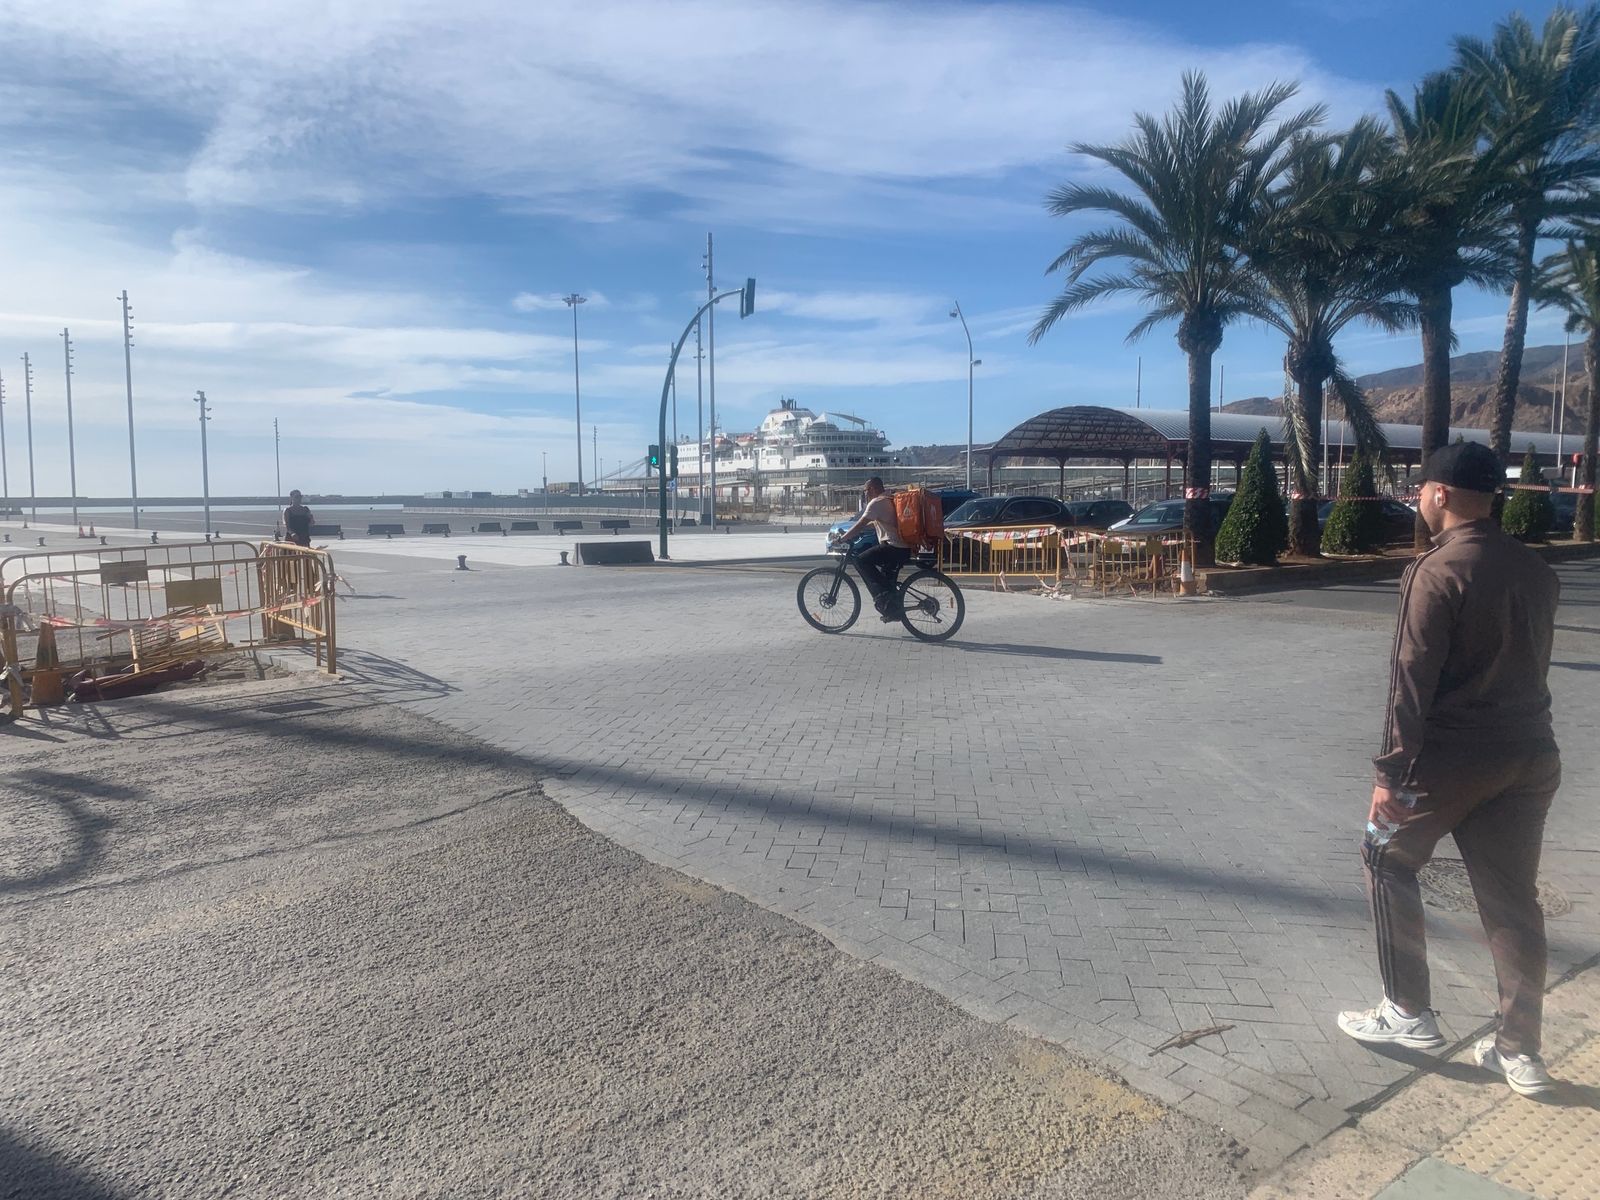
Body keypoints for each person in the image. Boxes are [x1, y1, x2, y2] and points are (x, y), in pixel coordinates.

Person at [1337, 441, 1562, 1098]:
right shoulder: (1535, 569)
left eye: (1421, 490)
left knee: (1383, 856)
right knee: (1513, 901)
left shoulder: (1436, 571)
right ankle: (1519, 1051)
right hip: (1529, 755)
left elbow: (1409, 682)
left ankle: (1407, 1011)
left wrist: (1390, 775)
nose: (1418, 500)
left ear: (1438, 494)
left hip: (1452, 761)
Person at [830, 477, 911, 620]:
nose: (865, 494)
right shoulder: (889, 499)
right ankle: (892, 609)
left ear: (872, 489)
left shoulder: (876, 503)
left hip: (893, 547)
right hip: (902, 548)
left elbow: (861, 523)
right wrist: (856, 532)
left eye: (866, 491)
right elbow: (875, 523)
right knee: (886, 579)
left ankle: (881, 596)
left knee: (861, 561)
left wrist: (843, 538)